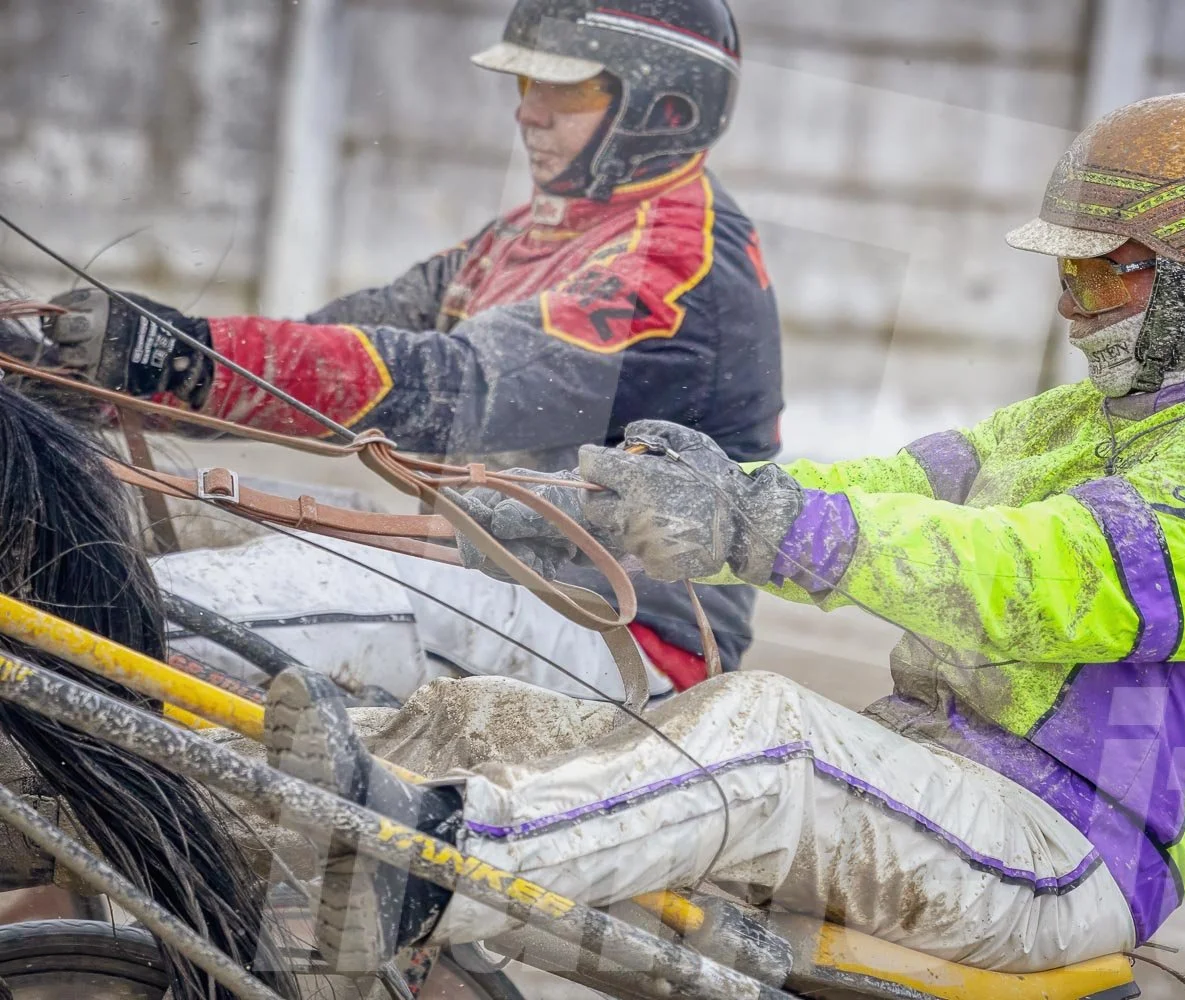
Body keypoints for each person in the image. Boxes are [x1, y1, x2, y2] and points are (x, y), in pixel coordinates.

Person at [264, 92, 1185, 973]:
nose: (1073, 302)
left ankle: (432, 868)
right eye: (1067, 270)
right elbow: (883, 485)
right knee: (484, 715)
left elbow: (1027, 576)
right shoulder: (1069, 420)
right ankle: (272, 873)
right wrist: (634, 503)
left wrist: (763, 526)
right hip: (929, 783)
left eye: (1108, 267)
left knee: (771, 733)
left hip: (1058, 855)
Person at [29, 0, 782, 693]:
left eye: (569, 90)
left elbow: (450, 387)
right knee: (102, 507)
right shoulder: (539, 233)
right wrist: (83, 381)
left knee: (148, 612)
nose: (529, 112)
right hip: (492, 570)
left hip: (620, 640)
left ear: (666, 107)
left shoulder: (679, 261)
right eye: (526, 81)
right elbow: (336, 345)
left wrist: (183, 356)